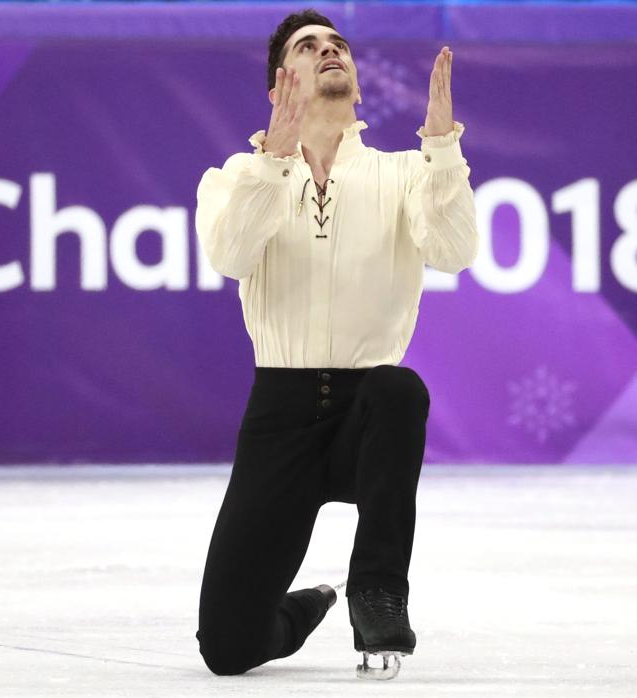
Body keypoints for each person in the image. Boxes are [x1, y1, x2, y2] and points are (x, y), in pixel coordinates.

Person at [192, 8, 478, 680]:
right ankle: (305, 607)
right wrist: (273, 161)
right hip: (280, 417)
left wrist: (441, 150)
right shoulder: (236, 176)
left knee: (398, 388)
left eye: (338, 45)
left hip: (365, 414)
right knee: (228, 650)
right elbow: (232, 256)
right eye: (309, 46)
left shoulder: (405, 171)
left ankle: (376, 589)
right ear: (278, 85)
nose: (330, 51)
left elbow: (456, 251)